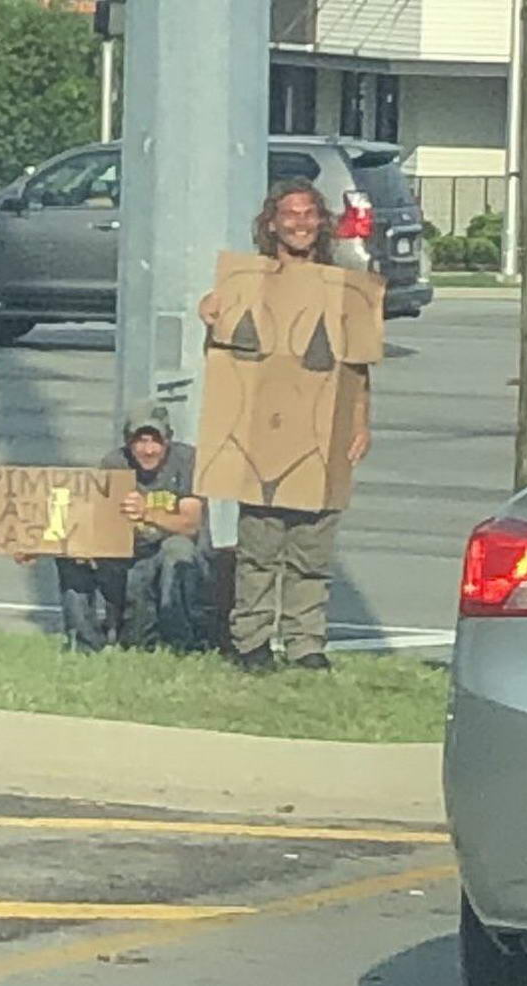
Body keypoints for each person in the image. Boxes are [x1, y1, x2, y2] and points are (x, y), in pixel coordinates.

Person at [199, 178, 374, 673]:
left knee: (312, 553)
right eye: (289, 214)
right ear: (271, 223)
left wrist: (362, 421)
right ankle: (252, 640)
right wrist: (209, 317)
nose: (299, 222)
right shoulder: (246, 285)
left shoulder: (343, 289)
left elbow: (358, 367)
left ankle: (305, 643)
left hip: (322, 437)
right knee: (259, 550)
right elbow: (225, 364)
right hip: (261, 436)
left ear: (321, 221)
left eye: (308, 213)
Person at [51, 401, 210, 653]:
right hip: (129, 561)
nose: (148, 450)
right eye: (140, 441)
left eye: (155, 441)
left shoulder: (187, 460)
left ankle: (181, 642)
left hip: (170, 564)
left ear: (168, 439)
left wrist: (147, 512)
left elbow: (191, 523)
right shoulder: (114, 463)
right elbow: (97, 521)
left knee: (177, 549)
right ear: (127, 441)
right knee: (71, 557)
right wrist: (36, 544)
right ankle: (84, 644)